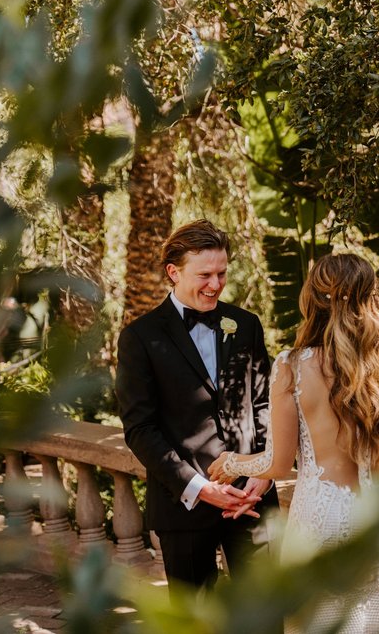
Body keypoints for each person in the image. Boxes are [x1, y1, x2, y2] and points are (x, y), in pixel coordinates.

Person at [208, 253, 379, 634]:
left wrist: (232, 462)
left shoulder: (292, 366)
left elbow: (277, 463)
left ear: (314, 299)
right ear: (371, 299)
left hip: (323, 525)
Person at [115, 219, 276, 592]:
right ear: (174, 272)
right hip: (183, 506)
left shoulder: (246, 324)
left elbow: (264, 402)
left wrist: (263, 472)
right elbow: (140, 428)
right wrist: (200, 487)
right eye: (205, 274)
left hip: (252, 500)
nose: (216, 284)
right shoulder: (139, 338)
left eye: (222, 273)